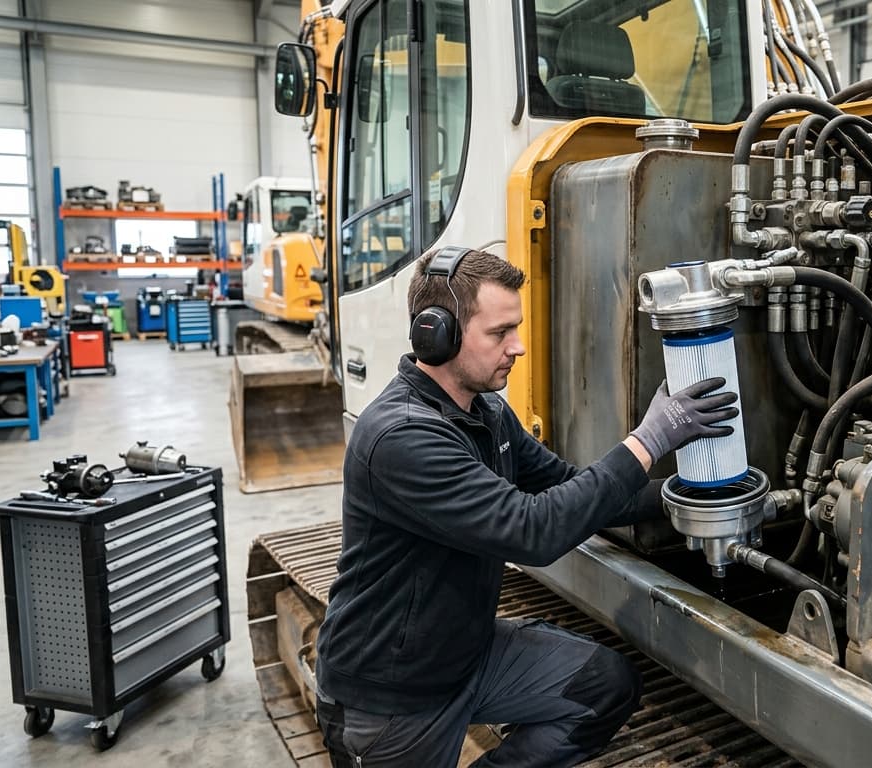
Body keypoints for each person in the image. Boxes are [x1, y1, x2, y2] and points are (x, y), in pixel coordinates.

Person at [313, 246, 737, 767]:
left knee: (604, 686)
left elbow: (571, 488)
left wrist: (692, 498)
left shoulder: (488, 412)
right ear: (436, 335)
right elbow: (532, 531)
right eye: (499, 333)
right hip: (391, 695)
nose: (518, 346)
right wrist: (649, 439)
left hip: (465, 655)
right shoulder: (402, 437)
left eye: (515, 327)